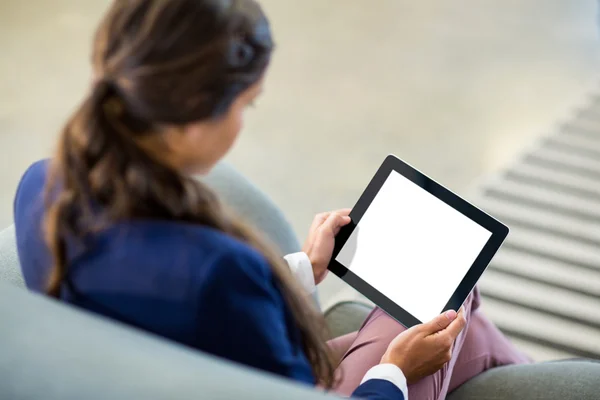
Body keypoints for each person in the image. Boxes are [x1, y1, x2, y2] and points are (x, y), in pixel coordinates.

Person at [12, 1, 528, 399]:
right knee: (450, 302)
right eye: (245, 104)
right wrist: (394, 371)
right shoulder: (219, 276)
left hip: (176, 370)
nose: (243, 121)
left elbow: (187, 316)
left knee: (455, 315)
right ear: (195, 117)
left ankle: (518, 372)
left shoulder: (39, 187)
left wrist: (305, 268)